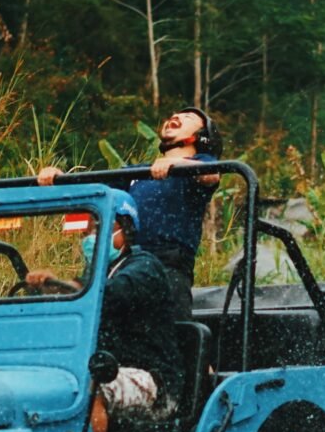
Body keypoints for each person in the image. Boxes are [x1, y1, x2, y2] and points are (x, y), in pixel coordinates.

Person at [38, 108, 222, 319]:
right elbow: (94, 191)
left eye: (187, 118)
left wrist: (176, 164)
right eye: (174, 115)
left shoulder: (202, 164)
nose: (176, 117)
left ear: (202, 136)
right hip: (125, 261)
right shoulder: (138, 173)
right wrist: (60, 180)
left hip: (168, 267)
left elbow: (211, 175)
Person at [25, 193, 180, 432]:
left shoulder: (144, 267)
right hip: (102, 368)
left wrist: (62, 286)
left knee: (89, 390)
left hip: (152, 380)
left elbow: (109, 294)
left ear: (125, 231)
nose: (91, 237)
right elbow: (75, 292)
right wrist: (45, 287)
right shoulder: (95, 275)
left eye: (99, 228)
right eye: (87, 231)